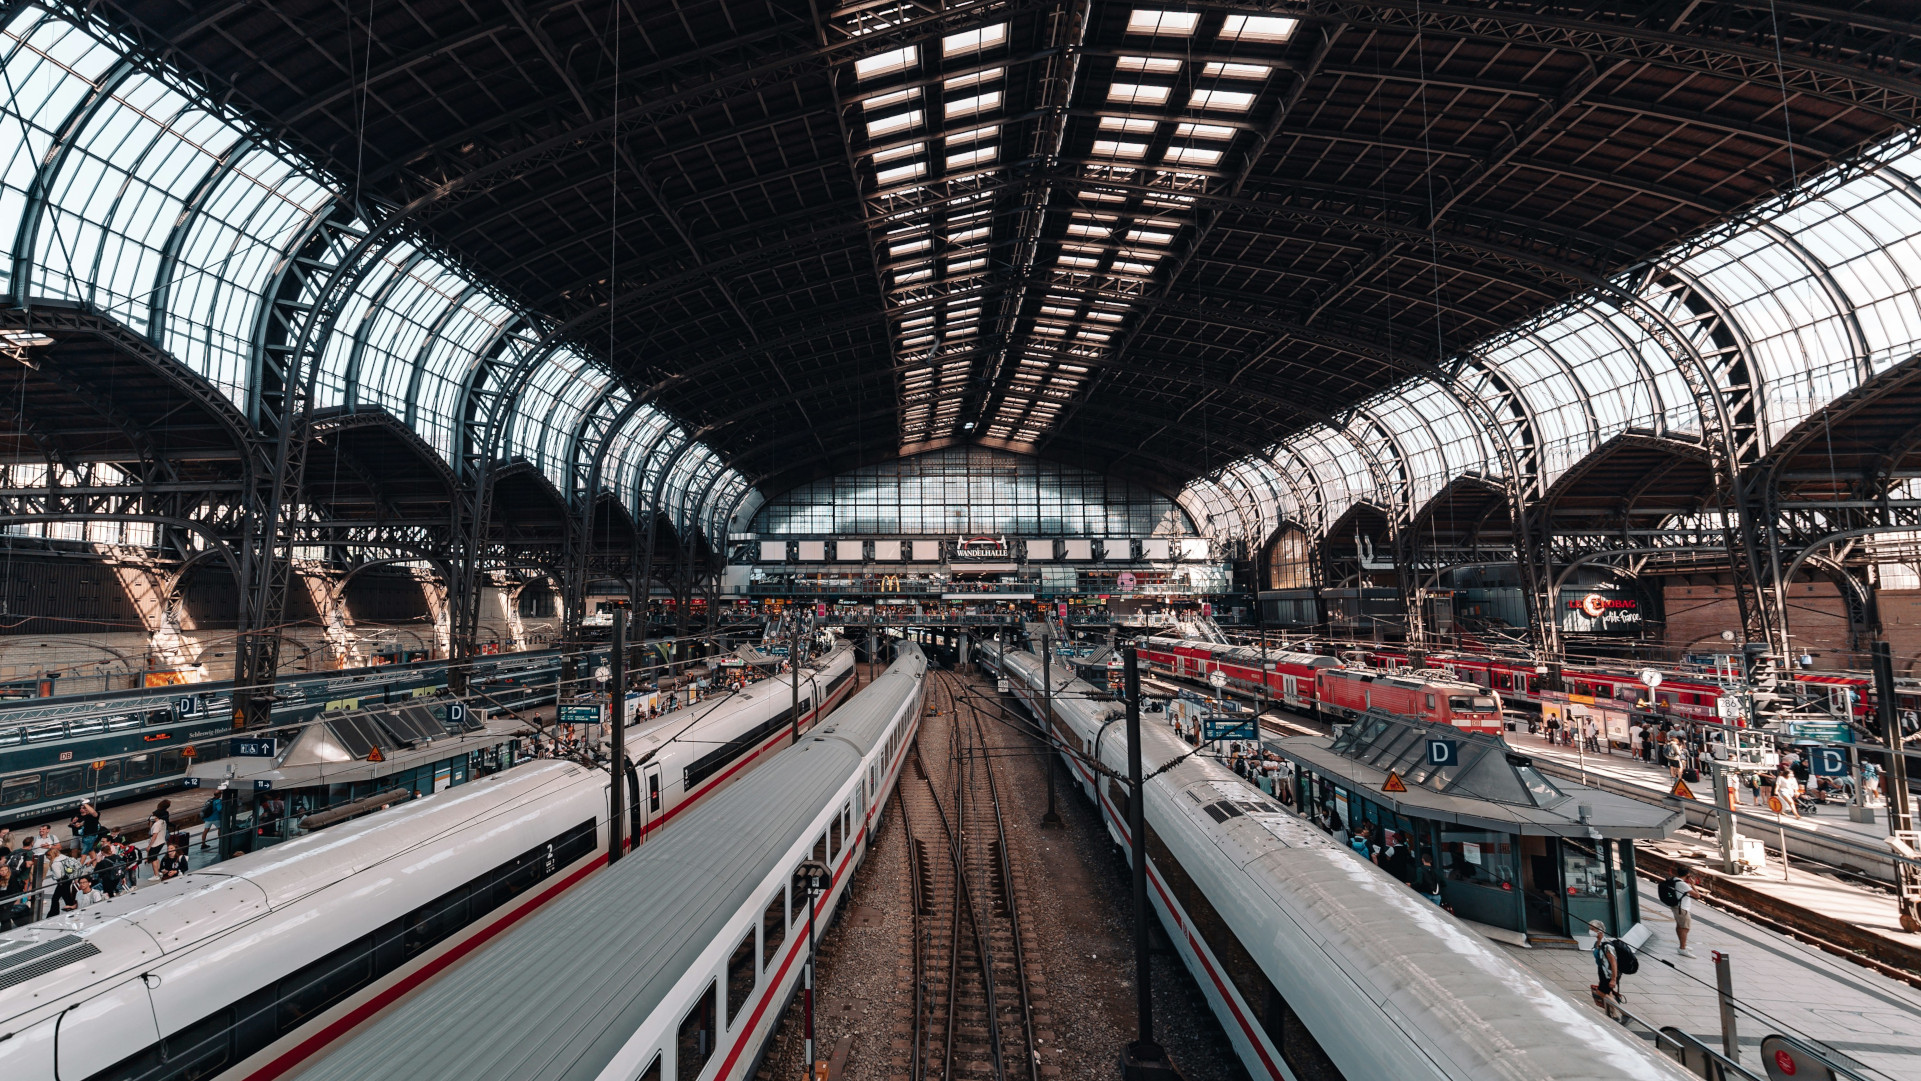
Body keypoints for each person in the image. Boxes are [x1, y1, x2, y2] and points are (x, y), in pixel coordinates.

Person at [1589, 920, 1621, 1014]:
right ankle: (1612, 1013)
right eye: (1590, 929)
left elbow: (1614, 963)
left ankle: (1623, 1013)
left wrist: (1613, 979)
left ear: (1600, 931)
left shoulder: (1606, 945)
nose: (1590, 931)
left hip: (1609, 974)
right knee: (1607, 992)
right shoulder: (1597, 943)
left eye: (1593, 929)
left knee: (1600, 992)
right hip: (1602, 971)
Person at [1666, 865, 1697, 957]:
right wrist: (1693, 885)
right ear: (1687, 875)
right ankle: (1682, 948)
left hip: (1676, 906)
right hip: (1682, 908)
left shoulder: (1674, 880)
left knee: (1680, 926)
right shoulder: (1683, 884)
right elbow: (1697, 895)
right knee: (1685, 928)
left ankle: (1683, 945)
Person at [147, 801, 171, 879]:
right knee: (156, 856)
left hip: (155, 843)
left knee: (153, 859)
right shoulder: (163, 822)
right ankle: (159, 871)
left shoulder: (157, 824)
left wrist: (149, 846)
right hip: (162, 841)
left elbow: (154, 835)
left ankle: (156, 875)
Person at [199, 785, 226, 850]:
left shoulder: (209, 800)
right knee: (220, 829)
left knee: (206, 830)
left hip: (208, 818)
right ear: (219, 795)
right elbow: (220, 809)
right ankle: (221, 842)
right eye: (221, 794)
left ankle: (203, 844)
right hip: (215, 818)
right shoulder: (218, 801)